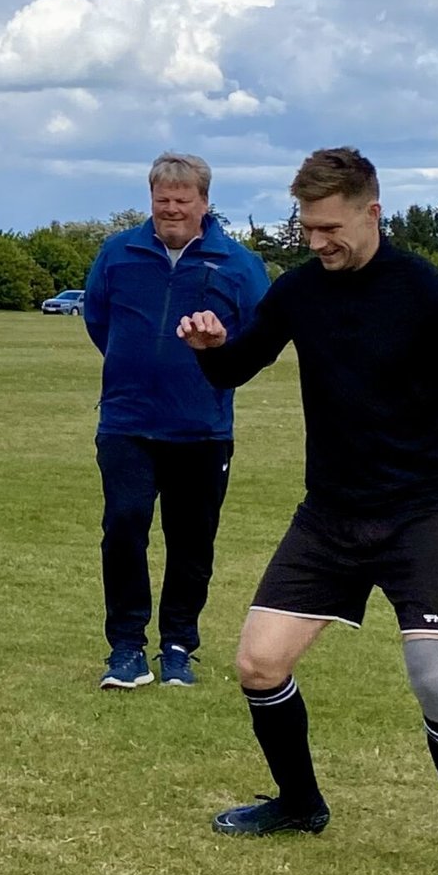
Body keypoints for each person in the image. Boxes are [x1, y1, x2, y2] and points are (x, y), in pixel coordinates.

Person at [179, 146, 438, 875]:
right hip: (329, 517)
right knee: (258, 664)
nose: (317, 241)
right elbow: (237, 366)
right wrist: (212, 349)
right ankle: (300, 804)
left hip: (418, 515)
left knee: (435, 680)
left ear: (373, 212)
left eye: (330, 228)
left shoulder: (426, 290)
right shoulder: (300, 292)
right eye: (307, 228)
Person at [82, 154, 269, 689]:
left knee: (191, 541)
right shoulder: (118, 253)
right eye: (161, 199)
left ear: (204, 202)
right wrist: (136, 365)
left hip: (202, 428)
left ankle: (179, 646)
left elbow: (261, 339)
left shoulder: (238, 264)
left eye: (182, 200)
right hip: (127, 421)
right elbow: (99, 320)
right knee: (124, 526)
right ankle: (125, 648)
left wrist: (220, 349)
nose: (170, 209)